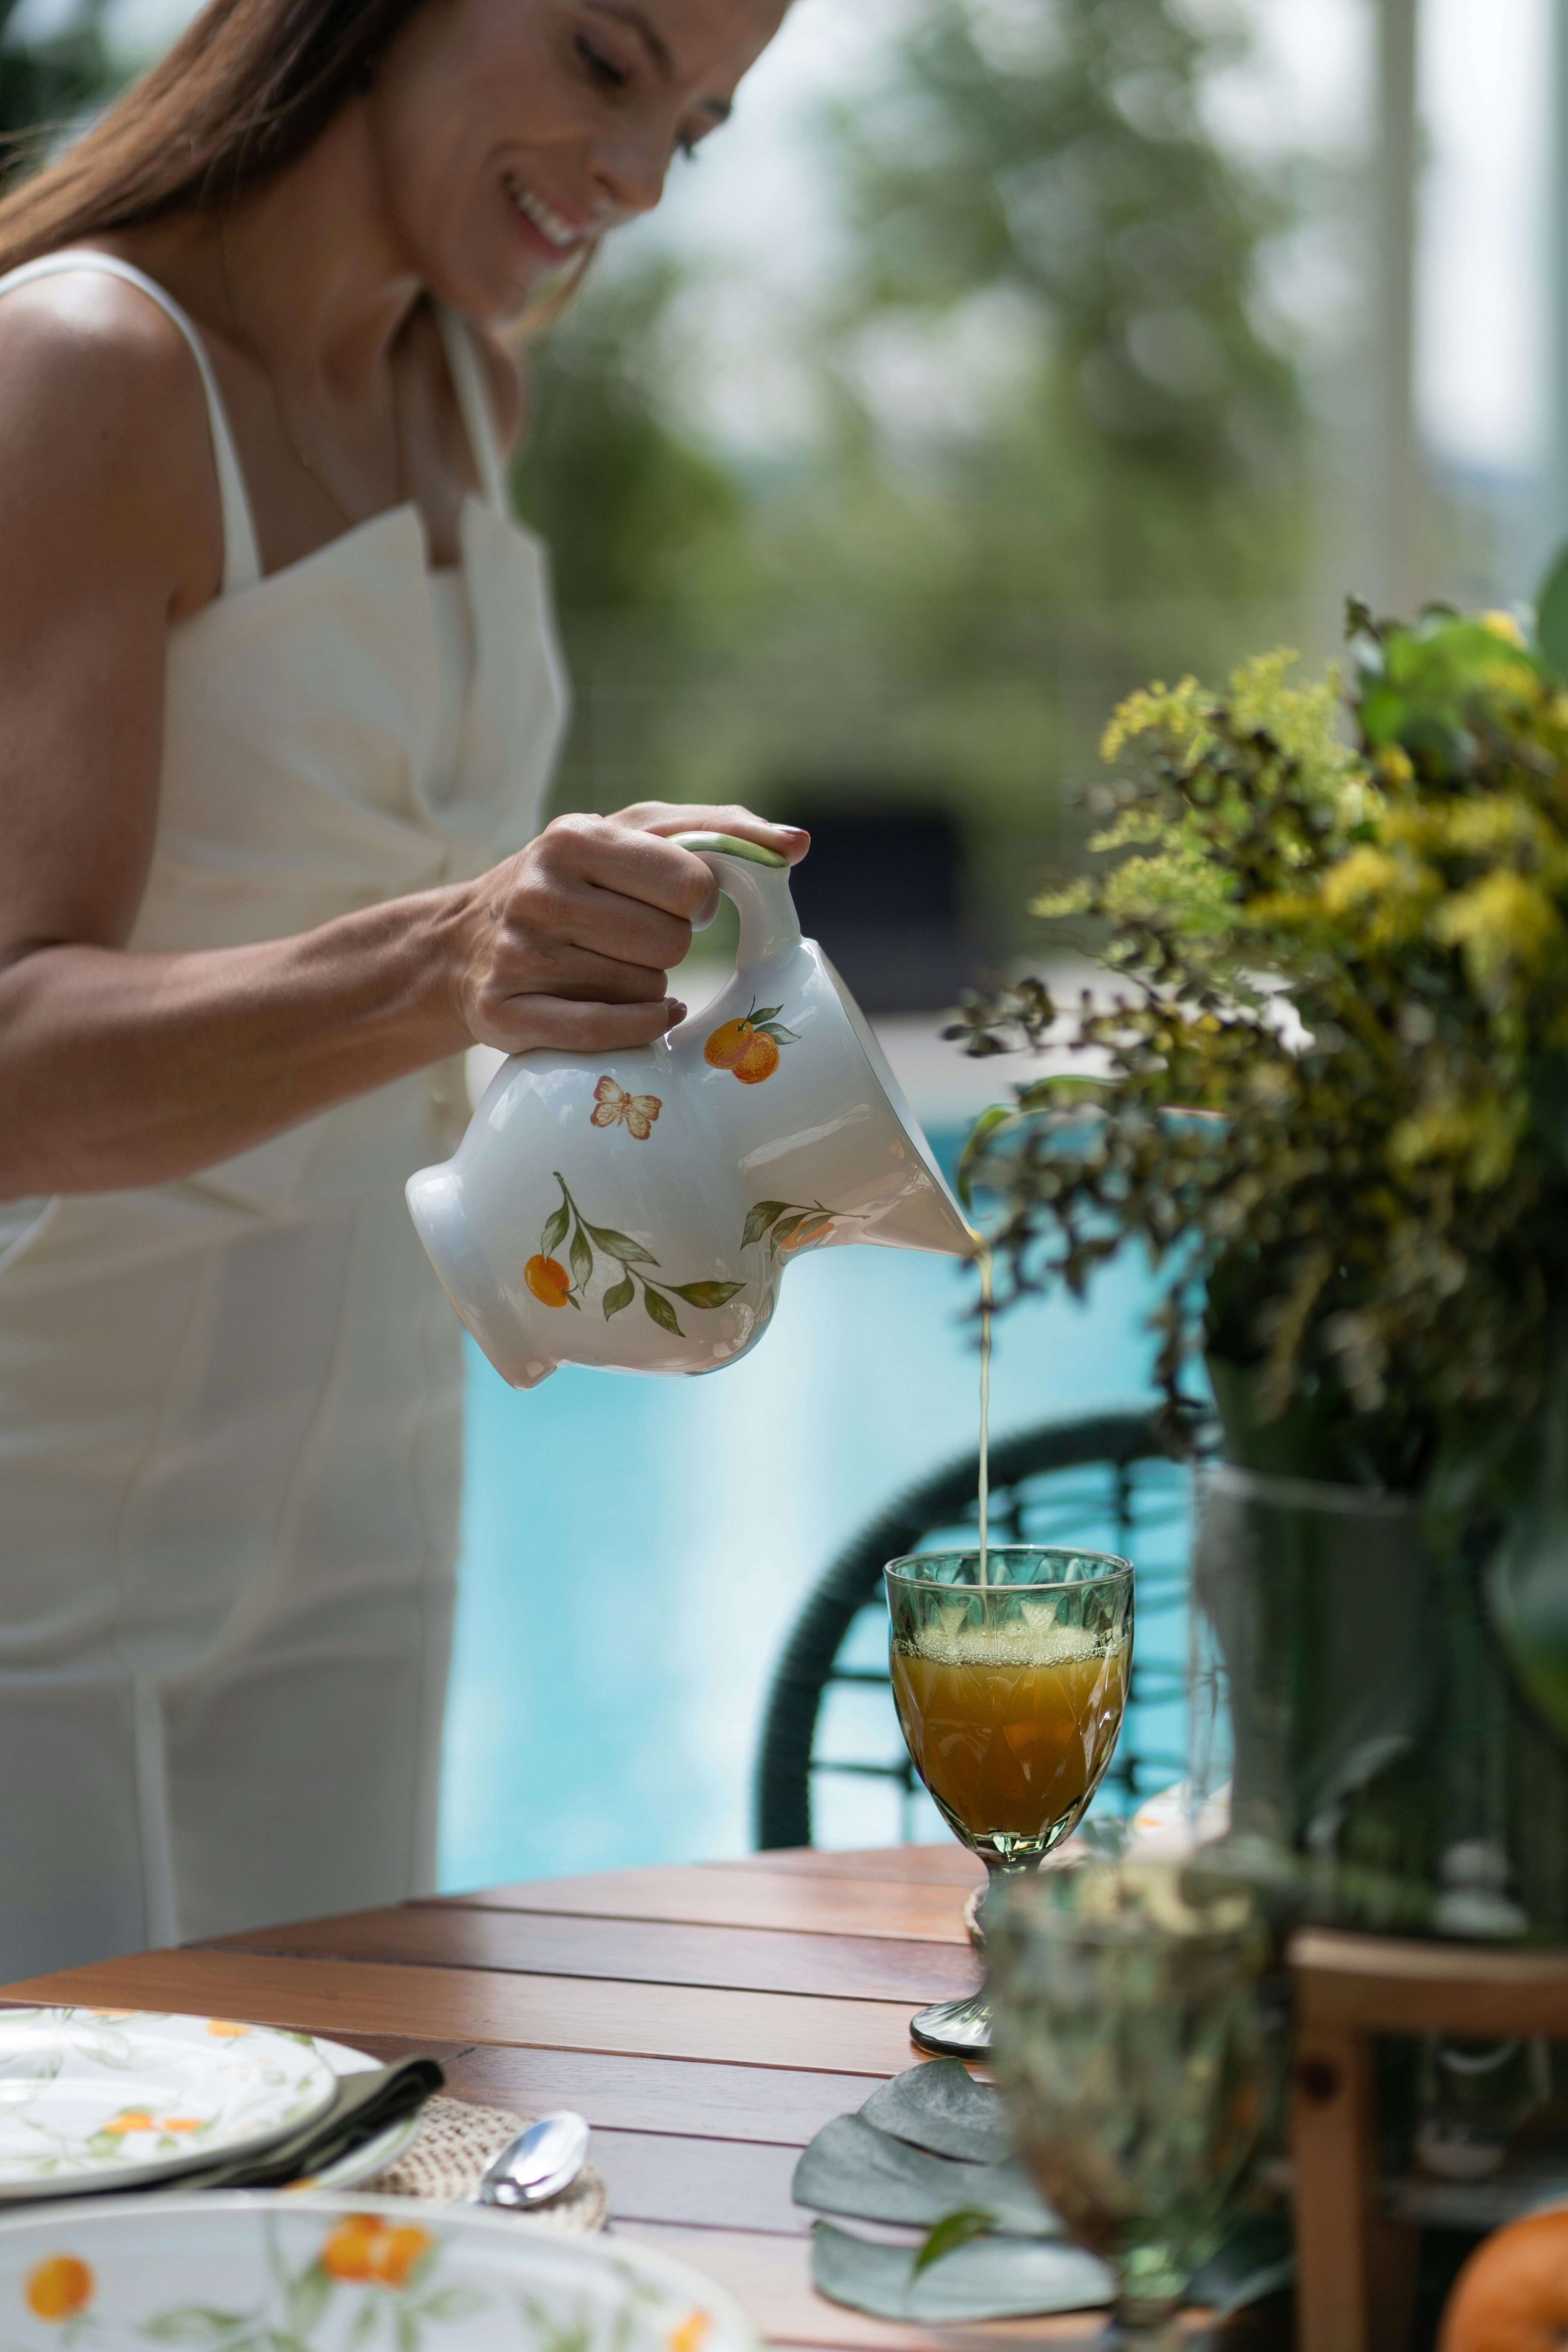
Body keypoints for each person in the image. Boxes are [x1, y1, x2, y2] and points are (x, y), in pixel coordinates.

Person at [0, 0, 800, 1979]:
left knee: (345, 2224)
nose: (630, 182)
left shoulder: (466, 394)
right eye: (609, 65)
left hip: (369, 1516)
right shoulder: (90, 370)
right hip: (35, 1554)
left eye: (693, 129)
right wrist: (452, 956)